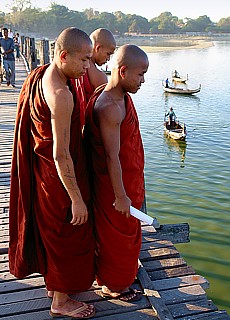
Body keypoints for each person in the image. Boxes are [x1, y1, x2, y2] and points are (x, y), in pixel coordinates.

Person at [9, 27, 96, 319]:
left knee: (54, 231)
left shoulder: (42, 73)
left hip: (42, 170)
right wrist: (77, 198)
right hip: (57, 177)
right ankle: (60, 300)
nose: (87, 66)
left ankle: (54, 284)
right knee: (69, 231)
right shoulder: (61, 94)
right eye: (84, 60)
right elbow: (60, 154)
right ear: (63, 55)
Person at [84, 44, 149, 301]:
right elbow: (112, 157)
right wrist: (121, 196)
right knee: (117, 236)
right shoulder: (110, 106)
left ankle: (116, 275)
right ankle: (113, 284)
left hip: (128, 178)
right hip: (114, 186)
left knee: (126, 233)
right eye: (140, 74)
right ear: (122, 71)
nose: (143, 80)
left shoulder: (118, 93)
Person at [73, 28, 116, 128]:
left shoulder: (72, 69)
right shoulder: (100, 77)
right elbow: (104, 115)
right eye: (108, 54)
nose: (108, 59)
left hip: (71, 125)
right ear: (97, 48)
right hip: (88, 129)